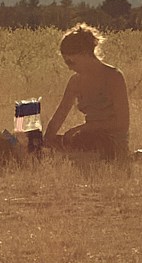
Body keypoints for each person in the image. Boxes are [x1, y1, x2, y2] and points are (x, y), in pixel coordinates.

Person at [45, 23, 132, 164]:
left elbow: (122, 123)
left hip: (111, 141)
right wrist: (47, 140)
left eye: (71, 61)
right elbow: (60, 114)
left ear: (85, 54)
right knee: (60, 142)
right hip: (88, 137)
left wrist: (82, 129)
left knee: (83, 142)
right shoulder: (75, 81)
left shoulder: (113, 76)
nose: (69, 67)